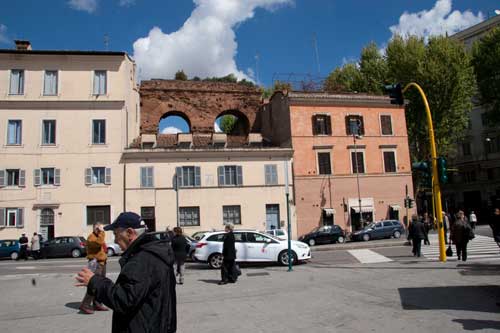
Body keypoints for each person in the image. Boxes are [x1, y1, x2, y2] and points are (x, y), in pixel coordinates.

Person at [75, 212, 176, 332]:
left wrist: (95, 281)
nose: (115, 240)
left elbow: (124, 300)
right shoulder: (153, 253)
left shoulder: (141, 260)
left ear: (129, 233)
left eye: (116, 234)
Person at [79, 223, 108, 314]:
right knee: (93, 284)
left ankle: (97, 303)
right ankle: (85, 304)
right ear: (95, 228)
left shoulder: (98, 236)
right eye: (98, 228)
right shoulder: (91, 237)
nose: (100, 230)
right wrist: (102, 232)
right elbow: (99, 243)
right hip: (96, 263)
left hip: (102, 263)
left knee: (100, 284)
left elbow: (103, 247)